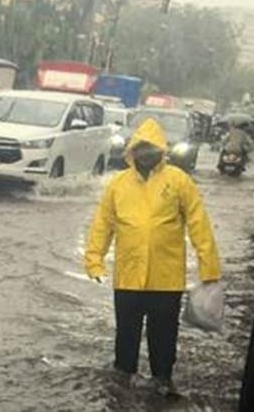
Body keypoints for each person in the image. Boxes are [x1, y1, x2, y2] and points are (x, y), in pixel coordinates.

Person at [84, 118, 222, 397]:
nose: (146, 154)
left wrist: (209, 268)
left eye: (151, 148)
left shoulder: (178, 181)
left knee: (164, 333)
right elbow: (103, 223)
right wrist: (94, 259)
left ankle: (162, 378)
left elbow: (199, 223)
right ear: (132, 151)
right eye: (141, 148)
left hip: (166, 278)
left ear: (161, 150)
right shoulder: (118, 184)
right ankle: (123, 377)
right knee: (127, 332)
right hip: (129, 275)